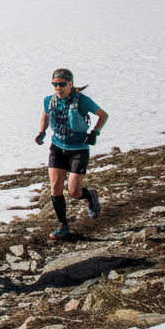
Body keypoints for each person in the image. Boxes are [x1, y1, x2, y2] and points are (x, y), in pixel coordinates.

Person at [37, 68, 108, 239]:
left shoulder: (82, 101)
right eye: (55, 84)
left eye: (61, 84)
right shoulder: (49, 100)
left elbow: (103, 115)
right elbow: (46, 116)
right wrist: (42, 132)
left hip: (78, 150)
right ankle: (63, 225)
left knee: (74, 192)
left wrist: (94, 132)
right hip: (57, 149)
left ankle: (89, 195)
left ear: (70, 84)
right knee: (55, 187)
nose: (58, 88)